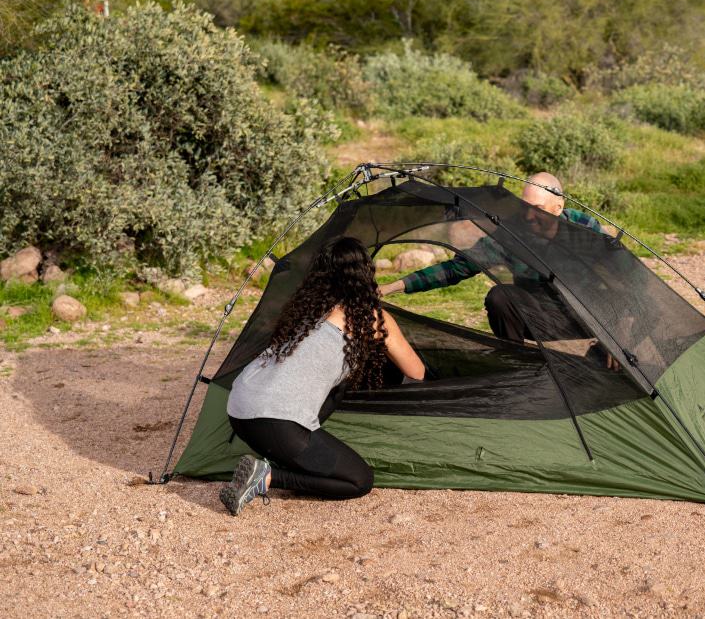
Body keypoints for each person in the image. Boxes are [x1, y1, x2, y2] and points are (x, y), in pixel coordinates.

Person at [219, 237, 425, 516]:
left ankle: (291, 453)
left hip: (239, 412)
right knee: (359, 480)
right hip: (276, 423)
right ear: (365, 273)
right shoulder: (371, 317)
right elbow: (416, 371)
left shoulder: (307, 310)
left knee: (340, 381)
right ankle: (268, 476)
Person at [379, 172, 610, 345]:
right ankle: (515, 359)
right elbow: (457, 268)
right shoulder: (513, 235)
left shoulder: (585, 228)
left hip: (585, 320)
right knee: (500, 296)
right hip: (540, 317)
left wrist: (615, 342)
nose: (529, 216)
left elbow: (622, 279)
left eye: (537, 208)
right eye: (525, 208)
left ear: (558, 207)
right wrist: (391, 287)